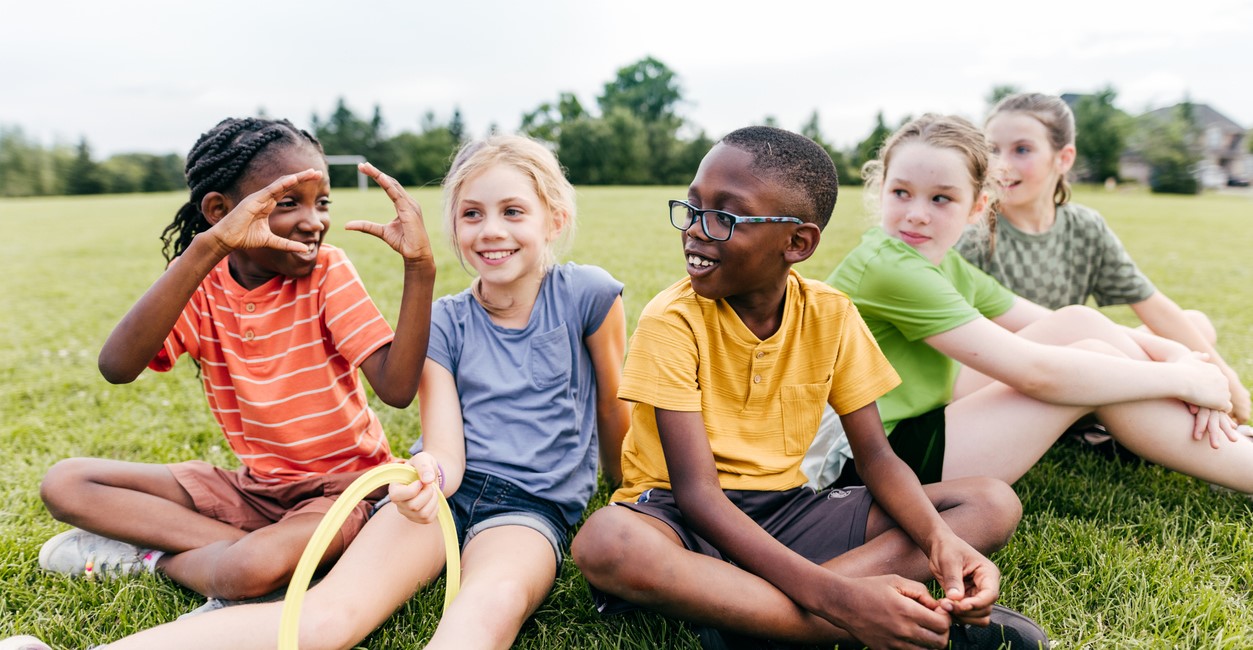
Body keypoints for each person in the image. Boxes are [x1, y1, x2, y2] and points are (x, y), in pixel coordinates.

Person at [4, 133, 629, 650]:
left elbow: (613, 402)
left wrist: (620, 489)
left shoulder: (589, 294)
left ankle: (214, 565)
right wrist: (427, 477)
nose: (491, 231)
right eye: (472, 214)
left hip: (530, 511)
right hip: (434, 498)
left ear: (556, 218)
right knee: (327, 619)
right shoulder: (447, 319)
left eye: (512, 211)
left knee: (486, 607)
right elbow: (443, 443)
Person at [571, 126, 1048, 649]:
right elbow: (698, 494)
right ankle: (841, 617)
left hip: (787, 510)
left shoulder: (831, 315)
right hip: (680, 519)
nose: (697, 231)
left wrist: (939, 543)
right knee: (607, 540)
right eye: (693, 208)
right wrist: (839, 600)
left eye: (726, 217)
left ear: (797, 242)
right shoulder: (672, 319)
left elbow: (876, 457)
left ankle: (756, 622)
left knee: (989, 501)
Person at [34, 117, 435, 607]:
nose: (314, 221)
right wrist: (208, 247)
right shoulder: (201, 285)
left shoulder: (328, 271)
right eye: (289, 203)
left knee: (248, 570)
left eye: (321, 201)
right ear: (221, 210)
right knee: (66, 483)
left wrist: (419, 268)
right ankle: (233, 556)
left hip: (342, 492)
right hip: (252, 491)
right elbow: (117, 366)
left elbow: (396, 390)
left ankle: (157, 559)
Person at [823, 113, 1253, 493]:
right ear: (881, 191)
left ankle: (1223, 447)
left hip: (910, 422)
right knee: (1090, 362)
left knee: (1080, 325)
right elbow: (1037, 374)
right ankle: (1237, 460)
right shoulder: (888, 267)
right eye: (901, 192)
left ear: (977, 207)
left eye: (940, 198)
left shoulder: (943, 263)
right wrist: (1181, 380)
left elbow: (1067, 322)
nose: (917, 213)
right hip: (868, 460)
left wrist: (1178, 355)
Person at [954, 92, 1250, 426]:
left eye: (1022, 149)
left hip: (1084, 359)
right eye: (993, 149)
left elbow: (1153, 305)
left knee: (1194, 324)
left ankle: (1172, 397)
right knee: (1107, 350)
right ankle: (1190, 418)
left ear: (1063, 158)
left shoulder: (1084, 227)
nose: (1001, 164)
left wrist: (1229, 381)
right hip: (1014, 377)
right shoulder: (972, 234)